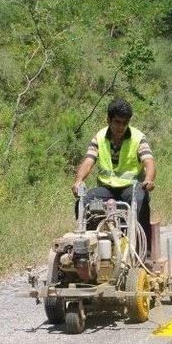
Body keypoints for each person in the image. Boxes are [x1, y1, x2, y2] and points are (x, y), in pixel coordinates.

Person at [72, 98, 155, 252]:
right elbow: (89, 161)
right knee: (84, 204)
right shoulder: (99, 137)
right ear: (108, 120)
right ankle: (93, 246)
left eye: (125, 123)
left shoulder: (138, 138)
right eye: (117, 122)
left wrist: (149, 180)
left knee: (139, 202)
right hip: (106, 189)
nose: (121, 127)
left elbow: (148, 161)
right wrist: (78, 180)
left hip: (131, 187)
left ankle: (143, 251)